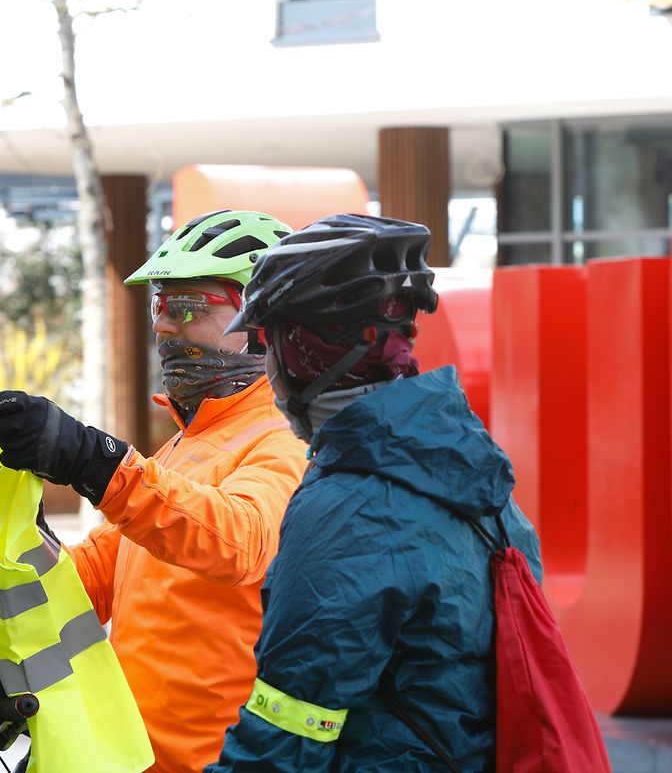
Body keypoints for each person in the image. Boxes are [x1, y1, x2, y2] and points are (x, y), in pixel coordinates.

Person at [0, 210, 308, 772]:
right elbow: (100, 574)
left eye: (189, 306)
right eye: (159, 306)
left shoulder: (286, 438)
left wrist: (92, 461)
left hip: (211, 760)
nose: (164, 326)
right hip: (127, 753)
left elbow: (241, 541)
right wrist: (6, 627)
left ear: (266, 323)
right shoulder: (186, 446)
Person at [208, 214, 542, 771]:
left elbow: (287, 730)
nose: (265, 366)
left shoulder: (348, 509)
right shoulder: (474, 475)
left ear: (302, 352)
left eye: (268, 343)